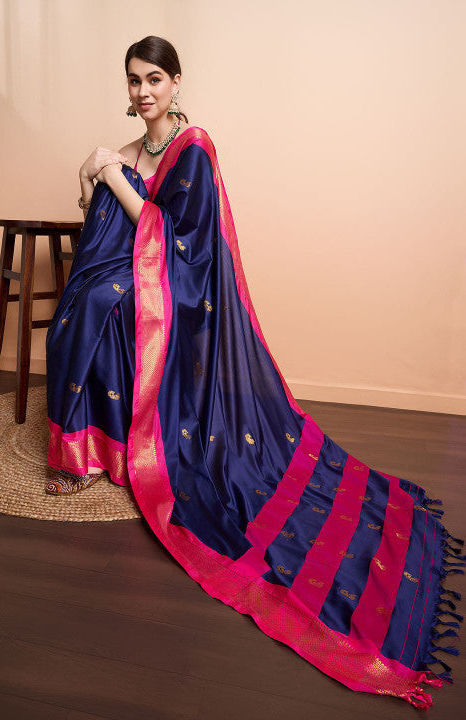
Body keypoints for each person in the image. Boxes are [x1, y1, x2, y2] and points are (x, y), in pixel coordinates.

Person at [45, 36, 464, 709]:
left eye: (154, 79)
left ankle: (124, 445)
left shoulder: (194, 147)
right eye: (133, 81)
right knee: (85, 303)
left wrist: (111, 174)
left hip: (180, 289)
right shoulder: (137, 149)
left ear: (176, 83)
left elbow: (175, 239)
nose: (143, 91)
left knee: (106, 303)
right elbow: (106, 199)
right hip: (139, 275)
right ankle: (96, 448)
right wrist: (97, 168)